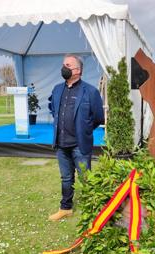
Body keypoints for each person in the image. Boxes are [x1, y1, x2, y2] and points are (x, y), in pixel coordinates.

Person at [48, 54, 104, 221]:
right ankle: (66, 208)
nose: (63, 68)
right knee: (66, 177)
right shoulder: (57, 89)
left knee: (86, 178)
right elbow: (53, 108)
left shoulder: (90, 91)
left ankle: (92, 208)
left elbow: (99, 117)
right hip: (61, 143)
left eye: (67, 65)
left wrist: (85, 129)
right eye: (63, 64)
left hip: (80, 144)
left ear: (78, 70)